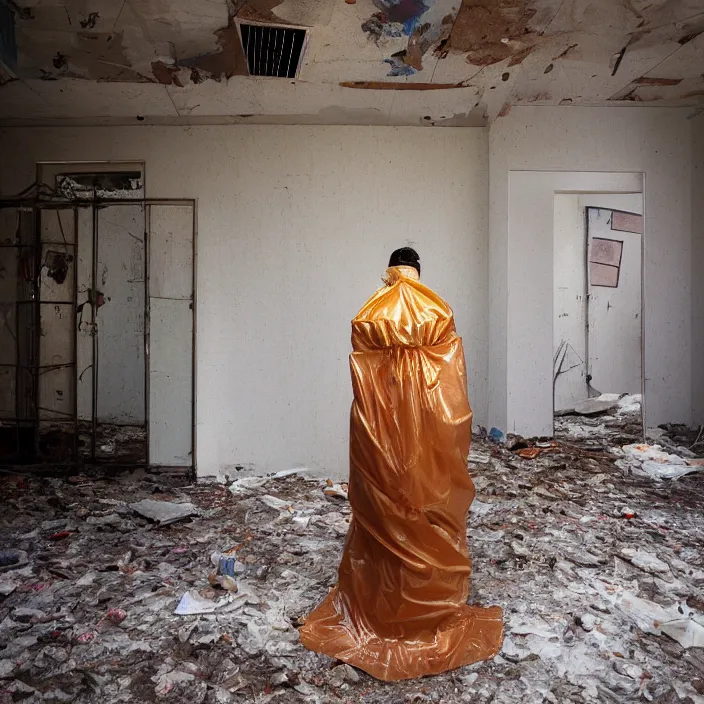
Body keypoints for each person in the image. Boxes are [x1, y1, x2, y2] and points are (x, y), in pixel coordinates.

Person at [299, 248, 503, 681]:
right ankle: (428, 611)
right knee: (427, 509)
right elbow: (451, 387)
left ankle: (378, 609)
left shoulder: (371, 312)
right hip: (429, 437)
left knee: (383, 513)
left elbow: (367, 378)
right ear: (418, 270)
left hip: (379, 438)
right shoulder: (437, 310)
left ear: (389, 271)